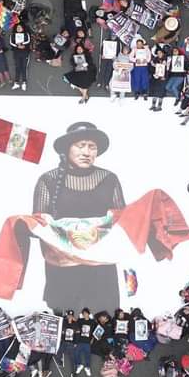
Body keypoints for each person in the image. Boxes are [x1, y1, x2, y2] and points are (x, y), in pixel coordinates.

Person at [32, 122, 125, 312]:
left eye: (92, 147)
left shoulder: (110, 179)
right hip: (63, 264)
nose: (86, 152)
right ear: (67, 149)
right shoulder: (48, 180)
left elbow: (122, 222)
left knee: (104, 316)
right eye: (80, 145)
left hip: (100, 266)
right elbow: (38, 226)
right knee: (66, 320)